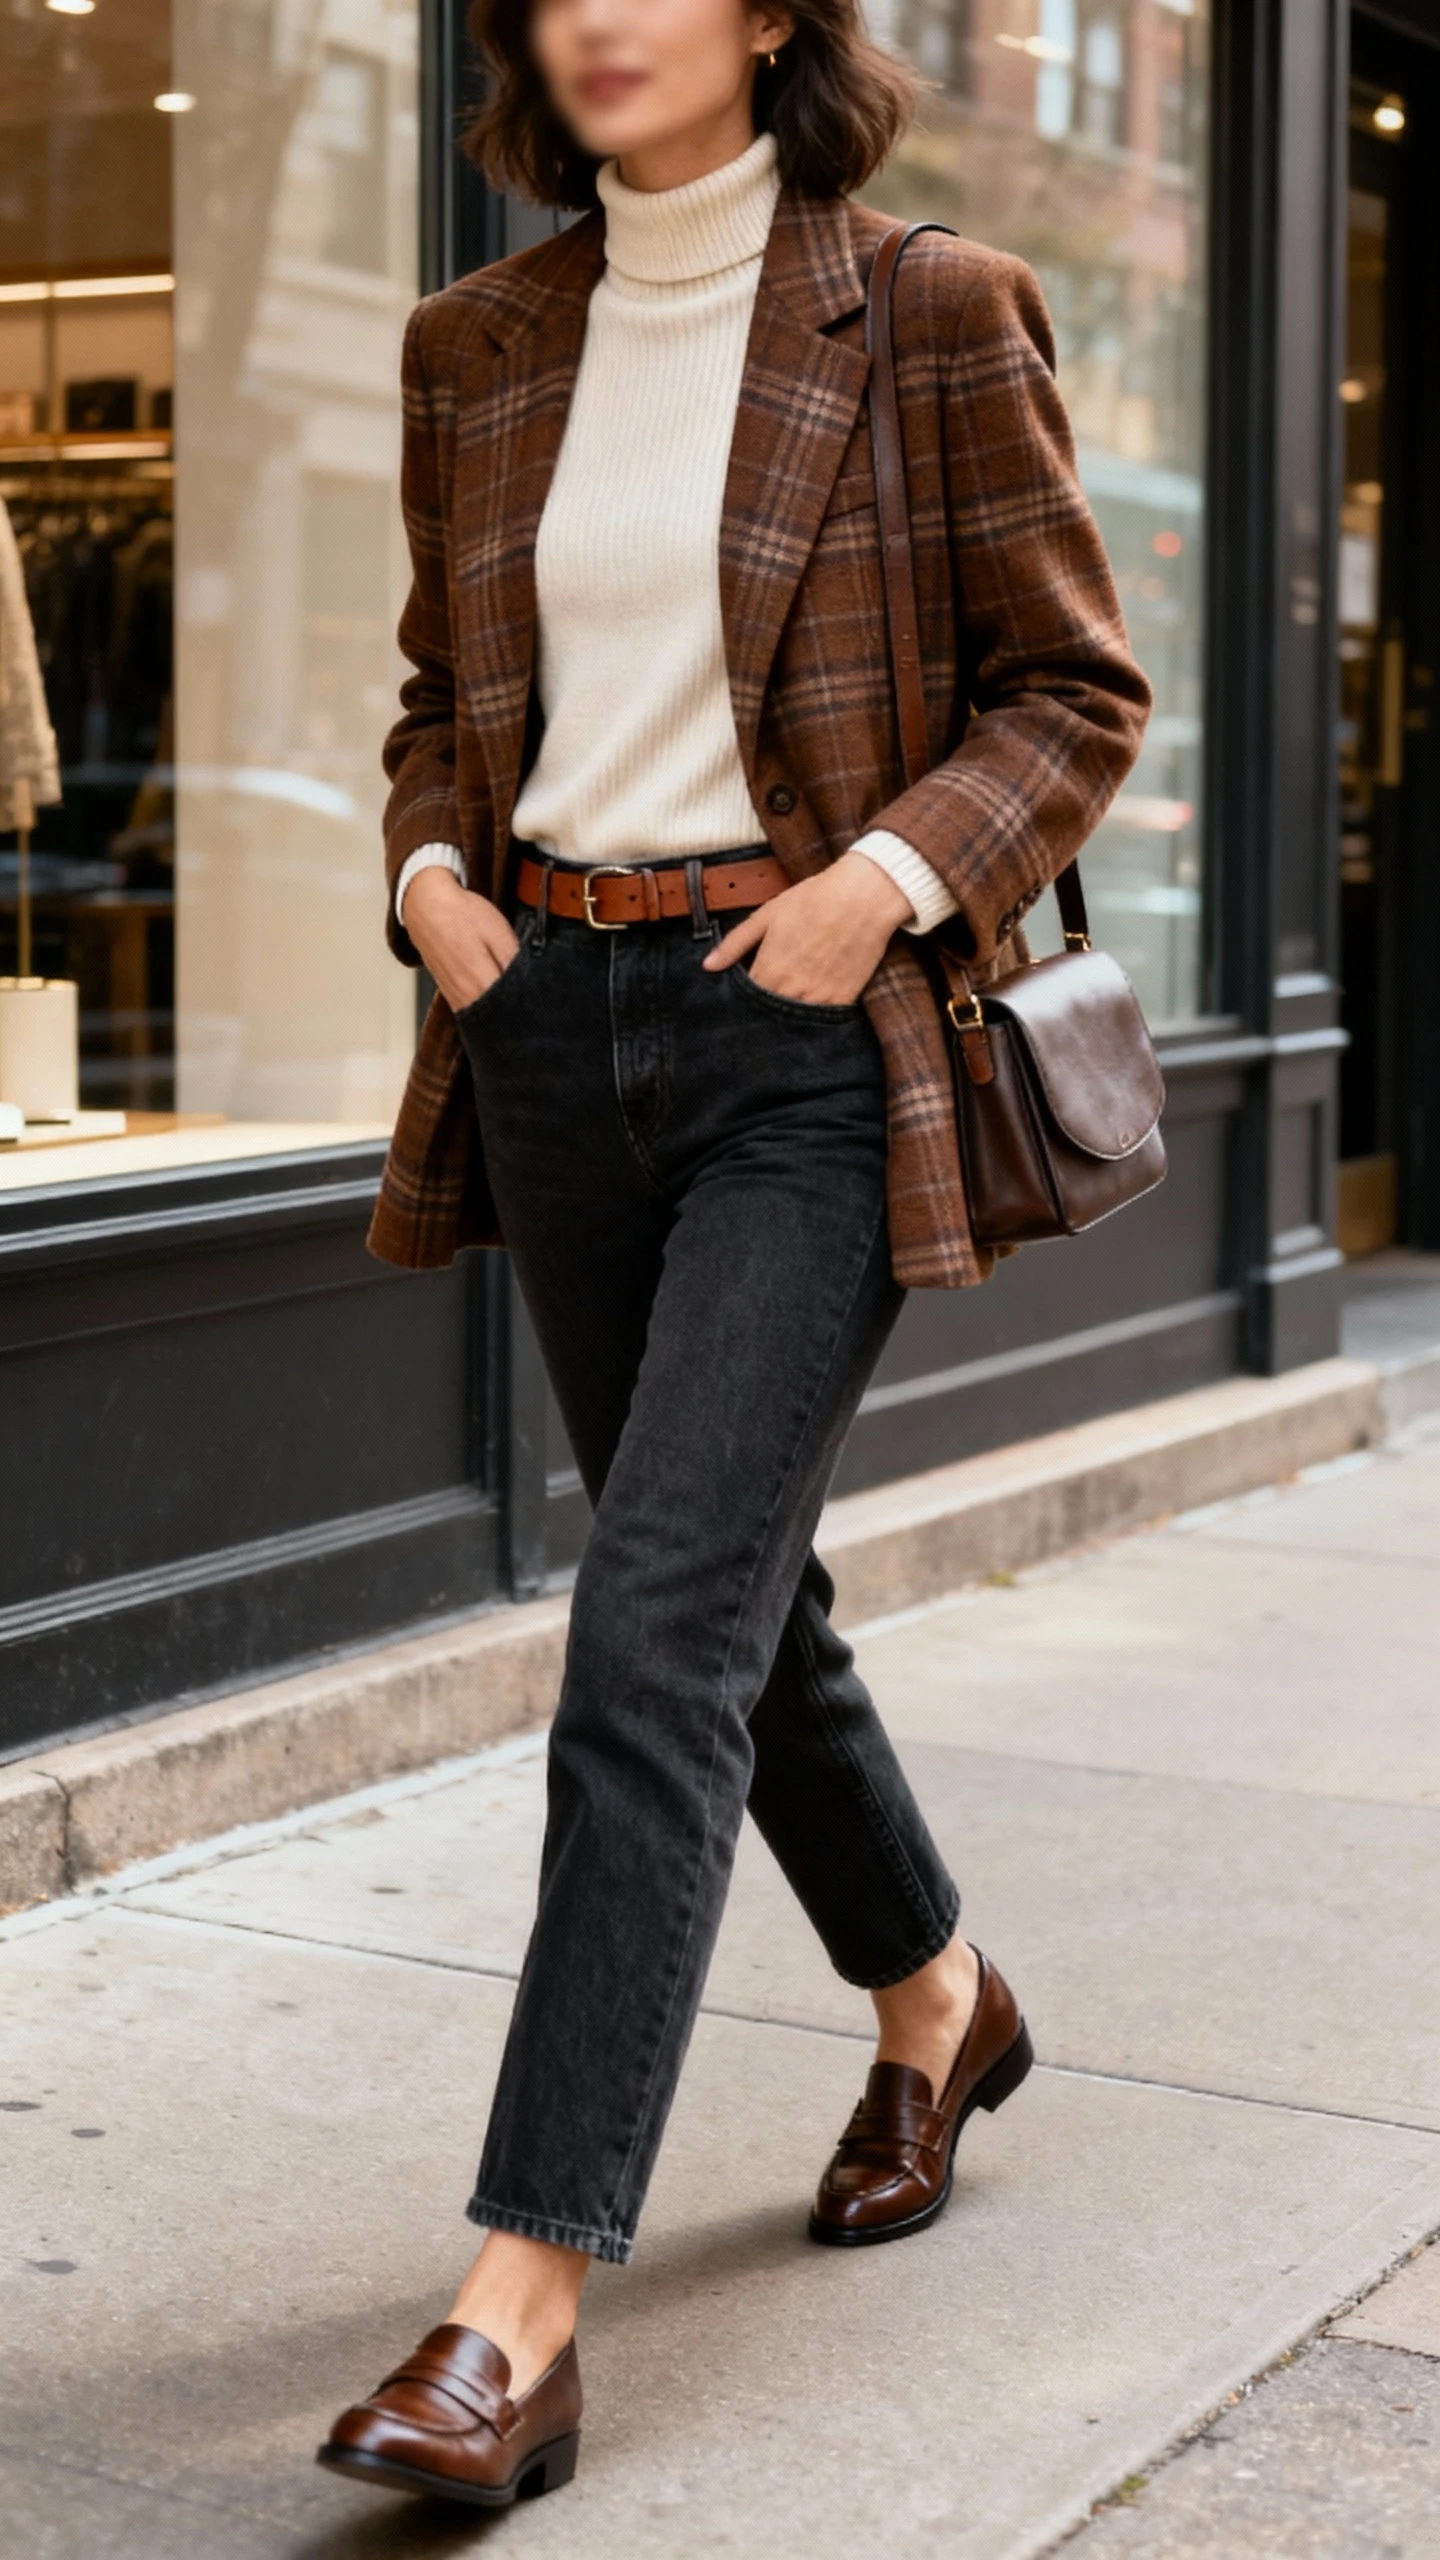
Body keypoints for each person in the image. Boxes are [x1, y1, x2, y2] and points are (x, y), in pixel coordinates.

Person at [319, 0, 1151, 2509]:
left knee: (654, 1629)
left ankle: (516, 2310)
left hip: (805, 1039)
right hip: (546, 1023)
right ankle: (944, 1997)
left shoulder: (927, 307)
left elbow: (1072, 691)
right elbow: (442, 698)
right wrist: (430, 876)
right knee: (735, 1601)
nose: (593, 14)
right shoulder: (475, 344)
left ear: (773, 14)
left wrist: (880, 887)